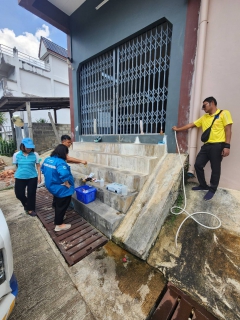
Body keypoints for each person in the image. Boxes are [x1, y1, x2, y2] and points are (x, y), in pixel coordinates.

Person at [172, 96, 233, 201]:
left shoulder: (224, 113)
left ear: (212, 103)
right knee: (198, 165)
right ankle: (203, 185)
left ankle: (212, 189)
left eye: (204, 105)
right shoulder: (204, 117)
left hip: (218, 146)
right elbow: (192, 124)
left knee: (215, 168)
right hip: (206, 146)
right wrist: (178, 129)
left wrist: (227, 146)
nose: (203, 108)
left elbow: (228, 130)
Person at [41, 144, 74, 231]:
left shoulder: (48, 159)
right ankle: (59, 224)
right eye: (67, 153)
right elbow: (64, 174)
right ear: (63, 153)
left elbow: (43, 170)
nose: (67, 155)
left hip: (51, 185)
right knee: (63, 203)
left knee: (57, 200)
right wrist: (66, 183)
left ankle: (59, 214)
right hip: (60, 188)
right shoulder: (60, 162)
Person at [13, 138, 41, 216]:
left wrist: (39, 176)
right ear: (22, 146)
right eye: (27, 147)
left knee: (31, 193)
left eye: (30, 147)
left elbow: (38, 166)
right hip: (20, 177)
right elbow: (17, 166)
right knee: (19, 194)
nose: (29, 149)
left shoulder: (35, 154)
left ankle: (30, 209)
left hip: (32, 177)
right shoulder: (16, 155)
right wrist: (15, 175)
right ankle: (27, 203)